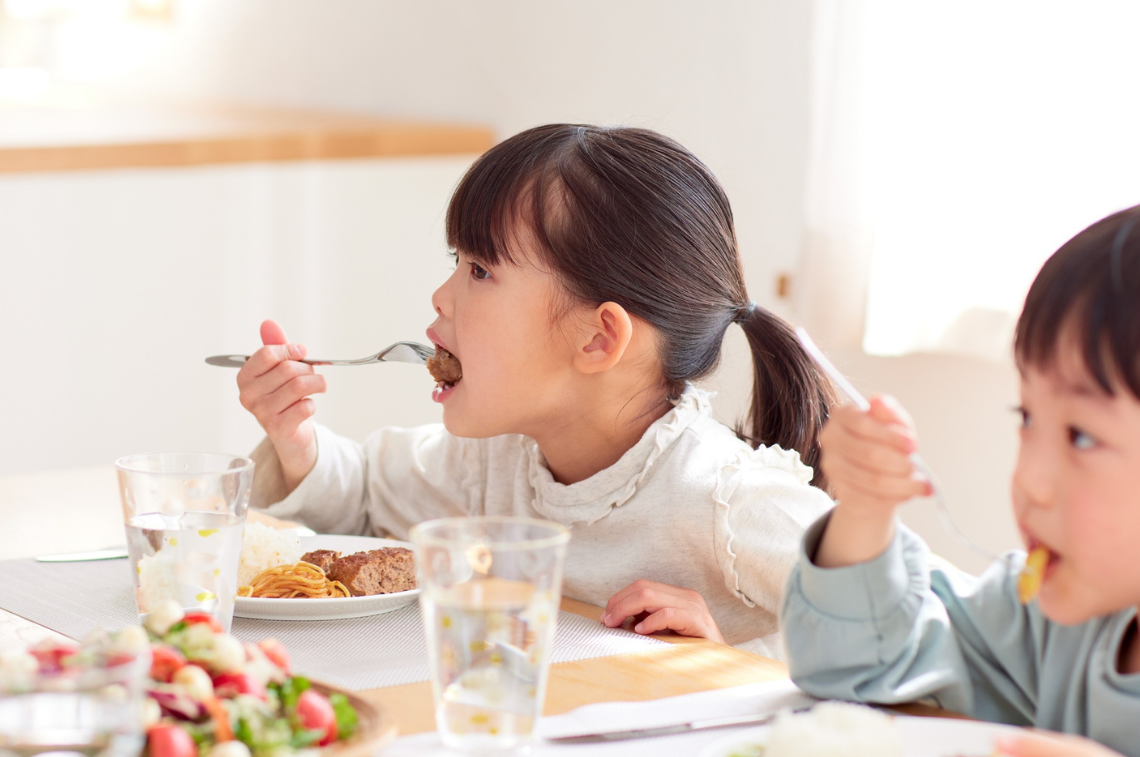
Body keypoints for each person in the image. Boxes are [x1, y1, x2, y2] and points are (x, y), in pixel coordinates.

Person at [238, 124, 835, 658]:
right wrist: (297, 441)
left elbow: (910, 629)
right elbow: (364, 496)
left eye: (479, 271)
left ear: (599, 340)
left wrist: (729, 657)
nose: (440, 296)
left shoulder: (725, 501)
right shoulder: (488, 466)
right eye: (458, 260)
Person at [781, 204, 1140, 756]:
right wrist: (865, 512)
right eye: (1027, 419)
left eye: (1082, 437)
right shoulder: (1047, 618)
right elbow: (856, 670)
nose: (1028, 482)